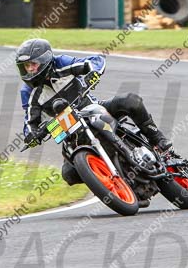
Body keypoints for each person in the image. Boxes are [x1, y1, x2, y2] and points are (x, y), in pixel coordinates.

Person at [16, 38, 172, 186]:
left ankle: (158, 139)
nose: (29, 70)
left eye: (33, 64)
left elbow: (95, 61)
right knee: (69, 174)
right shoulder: (28, 91)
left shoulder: (61, 63)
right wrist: (31, 136)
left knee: (131, 101)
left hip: (92, 107)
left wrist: (93, 73)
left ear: (45, 60)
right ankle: (106, 180)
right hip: (68, 128)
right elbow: (30, 121)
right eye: (26, 66)